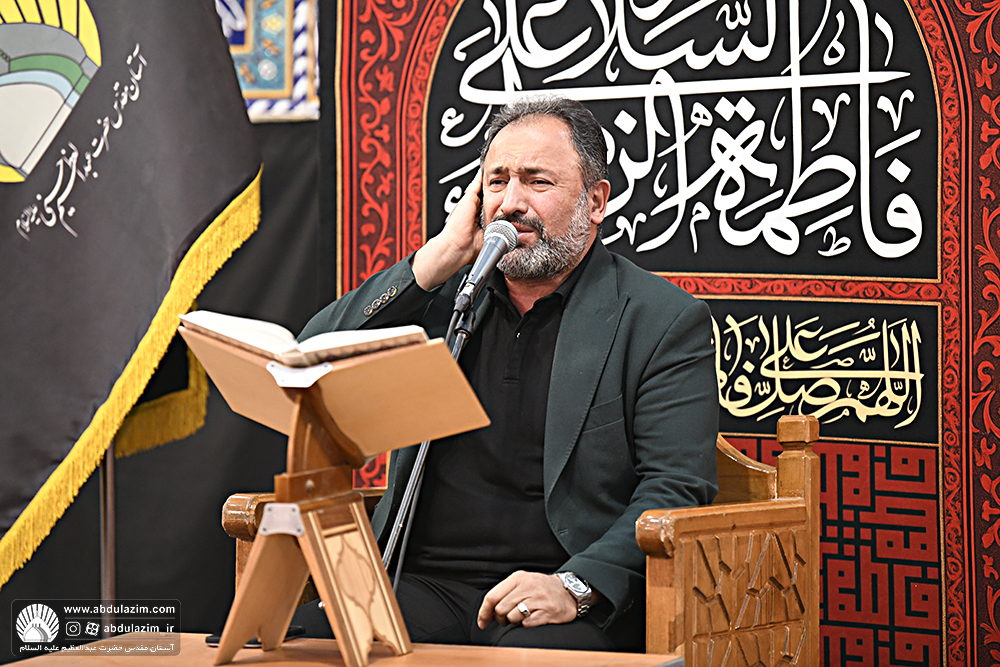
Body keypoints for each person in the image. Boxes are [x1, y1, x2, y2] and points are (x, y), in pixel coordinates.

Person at [295, 95, 718, 651]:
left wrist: (576, 586)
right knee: (297, 645)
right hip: (420, 584)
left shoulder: (659, 319)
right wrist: (438, 258)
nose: (511, 203)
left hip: (562, 596)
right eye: (496, 182)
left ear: (595, 202)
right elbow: (309, 359)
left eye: (537, 182)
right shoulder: (444, 300)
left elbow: (677, 485)